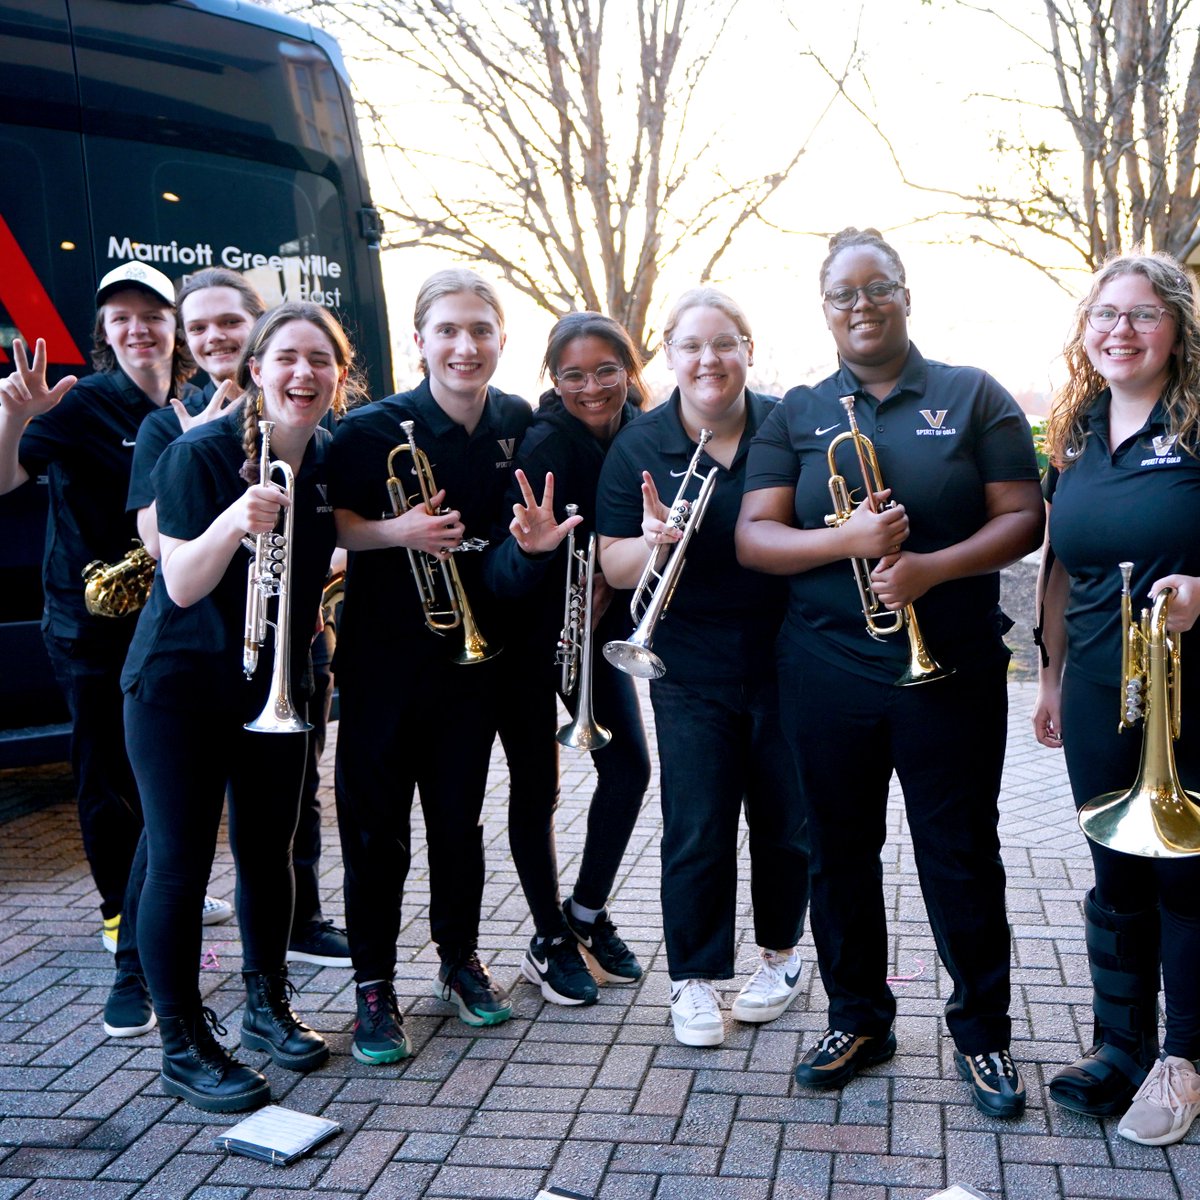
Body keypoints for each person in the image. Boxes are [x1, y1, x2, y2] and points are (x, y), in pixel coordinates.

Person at [736, 227, 1043, 1118]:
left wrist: (931, 567)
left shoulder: (970, 393)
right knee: (837, 852)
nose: (861, 306)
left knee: (960, 853)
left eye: (879, 289)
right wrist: (850, 541)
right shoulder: (795, 410)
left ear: (906, 295)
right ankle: (858, 1017)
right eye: (843, 294)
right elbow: (756, 537)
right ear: (824, 308)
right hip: (827, 669)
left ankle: (983, 1035)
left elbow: (1024, 515)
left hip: (951, 666)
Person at [121, 300, 356, 1112]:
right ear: (256, 370)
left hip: (273, 686)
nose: (303, 373)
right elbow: (182, 581)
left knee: (270, 850)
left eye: (320, 360)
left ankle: (266, 1005)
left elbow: (346, 536)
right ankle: (181, 1043)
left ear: (338, 373)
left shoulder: (327, 453)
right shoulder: (200, 454)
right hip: (179, 690)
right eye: (285, 357)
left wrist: (403, 534)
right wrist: (232, 520)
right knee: (180, 865)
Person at [595, 287, 810, 1047]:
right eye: (691, 346)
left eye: (725, 343)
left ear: (749, 349)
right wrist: (649, 542)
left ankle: (782, 957)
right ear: (670, 355)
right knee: (697, 825)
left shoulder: (789, 424)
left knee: (786, 824)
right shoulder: (640, 446)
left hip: (789, 656)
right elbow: (613, 566)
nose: (709, 359)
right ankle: (692, 978)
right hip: (688, 663)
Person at [328, 267, 531, 1062]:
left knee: (458, 826)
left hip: (469, 666)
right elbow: (333, 524)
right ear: (419, 342)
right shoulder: (370, 428)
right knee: (375, 835)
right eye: (447, 330)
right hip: (381, 668)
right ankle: (372, 988)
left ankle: (458, 961)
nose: (464, 345)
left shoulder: (515, 421)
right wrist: (397, 533)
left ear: (500, 340)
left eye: (479, 330)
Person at [1032, 249, 1200, 1146]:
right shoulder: (1080, 430)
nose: (1120, 330)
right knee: (1116, 875)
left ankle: (1183, 1060)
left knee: (1188, 877)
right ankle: (1120, 1047)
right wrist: (1053, 675)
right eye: (1105, 314)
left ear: (1176, 326)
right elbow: (1059, 563)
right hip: (1100, 684)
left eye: (1141, 313)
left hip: (1191, 690)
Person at [0, 263, 204, 955]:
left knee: (166, 765)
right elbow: (4, 478)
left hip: (168, 617)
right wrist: (13, 415)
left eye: (152, 315)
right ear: (104, 334)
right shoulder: (79, 405)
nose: (138, 328)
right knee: (104, 771)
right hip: (90, 625)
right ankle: (121, 910)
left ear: (174, 328)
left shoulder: (197, 401)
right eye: (121, 318)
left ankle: (163, 888)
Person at [484, 312, 652, 1006]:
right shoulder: (545, 442)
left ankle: (585, 910)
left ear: (629, 370)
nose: (591, 388)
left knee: (631, 768)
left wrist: (615, 582)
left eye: (606, 371)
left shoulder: (643, 429)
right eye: (573, 375)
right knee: (537, 788)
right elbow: (503, 570)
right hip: (525, 636)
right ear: (553, 379)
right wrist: (543, 556)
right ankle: (548, 937)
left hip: (592, 631)